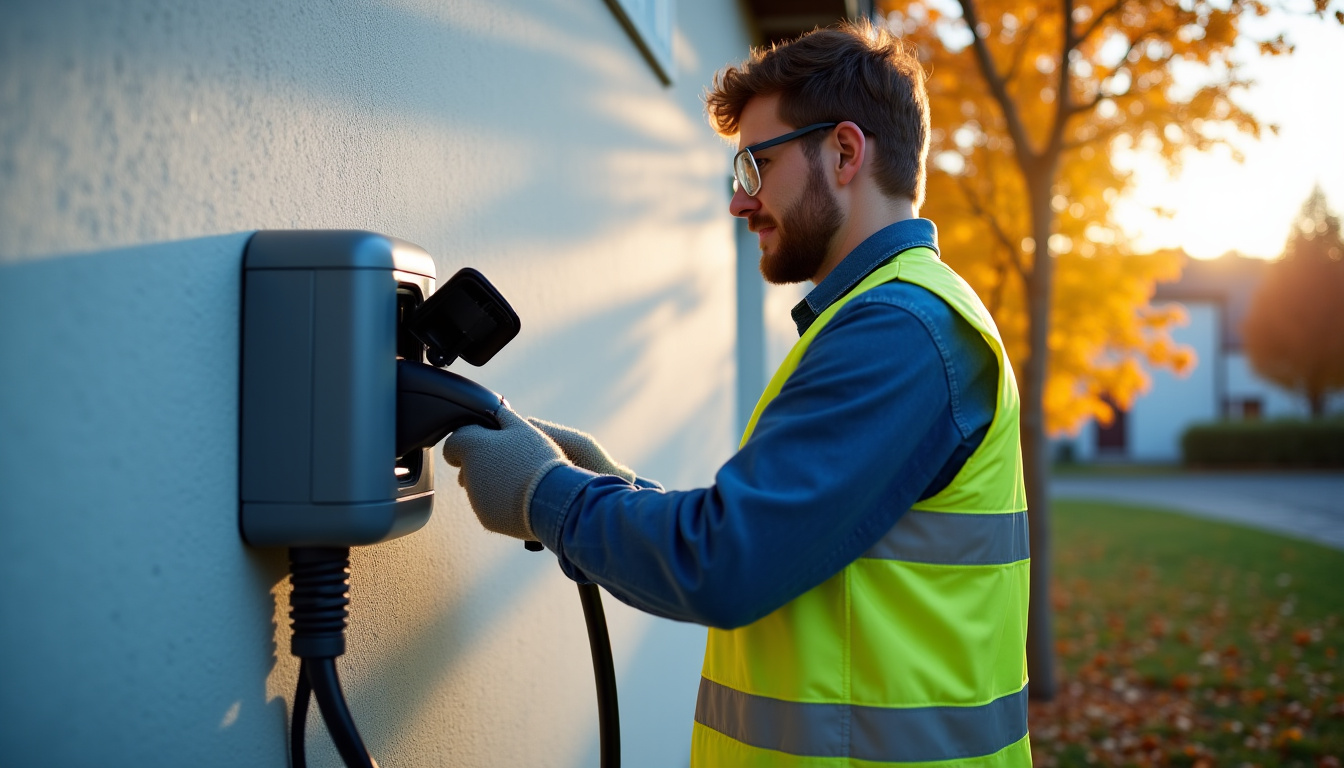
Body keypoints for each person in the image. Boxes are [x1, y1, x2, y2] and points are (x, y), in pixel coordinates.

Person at [442, 20, 1031, 767]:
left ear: (845, 152)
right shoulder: (892, 318)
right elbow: (788, 538)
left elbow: (724, 563)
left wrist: (547, 497)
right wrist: (619, 491)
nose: (739, 203)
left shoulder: (898, 334)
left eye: (754, 169)